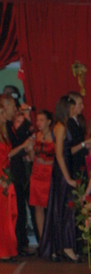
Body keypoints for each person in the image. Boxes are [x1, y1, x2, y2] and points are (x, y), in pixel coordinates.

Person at [39, 95, 81, 262]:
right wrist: (68, 178)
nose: (74, 110)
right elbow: (59, 155)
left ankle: (58, 247)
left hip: (62, 170)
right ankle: (66, 247)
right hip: (62, 171)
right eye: (72, 107)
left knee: (59, 208)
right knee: (66, 208)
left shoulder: (61, 125)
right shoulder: (61, 127)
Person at [1, 92, 35, 256]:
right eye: (13, 106)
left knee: (17, 210)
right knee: (13, 211)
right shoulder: (6, 127)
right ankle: (15, 245)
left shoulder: (7, 127)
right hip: (7, 174)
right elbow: (9, 151)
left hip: (12, 173)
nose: (15, 110)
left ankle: (16, 245)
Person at [28, 109, 55, 240]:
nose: (38, 122)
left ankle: (52, 239)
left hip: (49, 173)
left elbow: (60, 157)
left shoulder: (54, 136)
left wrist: (47, 162)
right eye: (37, 120)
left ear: (49, 122)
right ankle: (42, 239)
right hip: (36, 173)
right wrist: (30, 149)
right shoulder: (35, 136)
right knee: (37, 207)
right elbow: (32, 157)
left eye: (41, 120)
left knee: (49, 206)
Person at [0, 104, 18, 262]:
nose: (5, 116)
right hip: (1, 178)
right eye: (1, 114)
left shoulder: (4, 133)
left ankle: (7, 249)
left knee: (9, 214)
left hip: (6, 176)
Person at [67, 91, 91, 179]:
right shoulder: (69, 123)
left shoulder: (77, 122)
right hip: (73, 166)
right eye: (79, 104)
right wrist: (85, 143)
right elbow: (69, 150)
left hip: (79, 164)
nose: (82, 107)